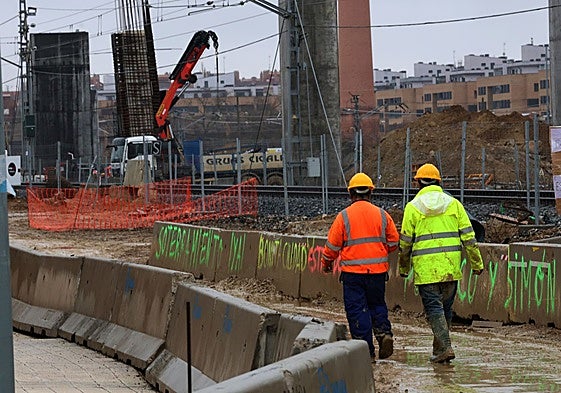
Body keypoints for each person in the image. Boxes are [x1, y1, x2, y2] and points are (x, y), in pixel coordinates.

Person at [397, 163, 484, 363]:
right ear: (439, 181)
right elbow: (469, 239)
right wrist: (477, 264)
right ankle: (440, 351)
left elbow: (405, 244)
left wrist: (403, 267)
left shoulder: (412, 207)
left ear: (417, 182)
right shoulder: (454, 204)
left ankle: (444, 347)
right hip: (450, 268)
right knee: (445, 310)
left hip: (426, 271)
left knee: (434, 310)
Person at [321, 172, 399, 361]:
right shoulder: (382, 215)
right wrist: (380, 252)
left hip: (353, 275)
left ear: (351, 194)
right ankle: (383, 333)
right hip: (378, 273)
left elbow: (332, 245)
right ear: (370, 193)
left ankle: (366, 351)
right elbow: (394, 241)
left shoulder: (343, 217)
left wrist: (326, 263)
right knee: (377, 304)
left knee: (357, 310)